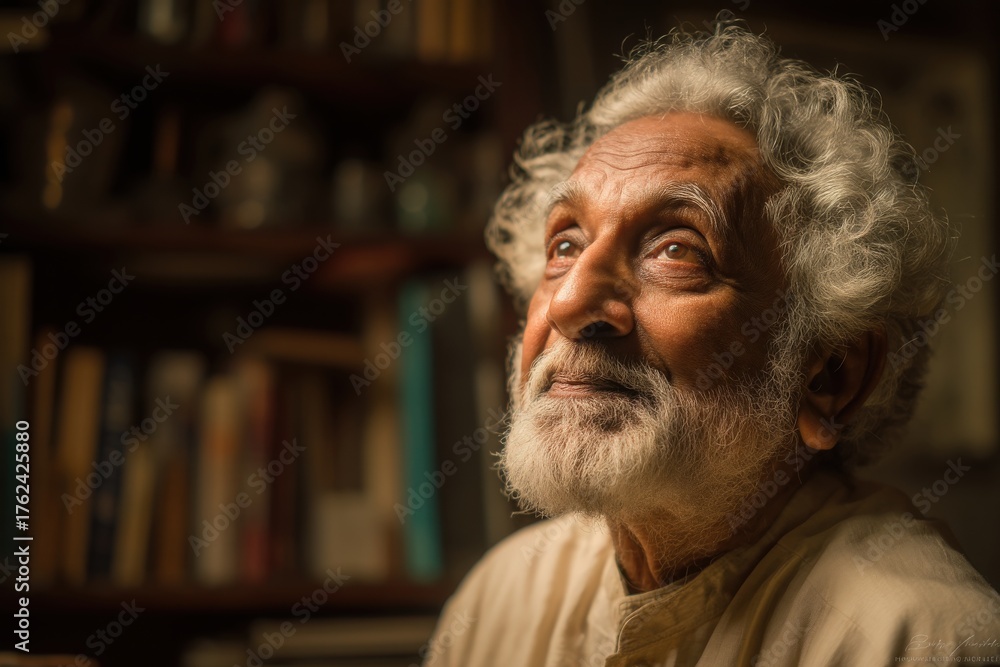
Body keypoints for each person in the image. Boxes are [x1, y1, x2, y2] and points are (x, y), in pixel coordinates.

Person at [423, 23, 1000, 667]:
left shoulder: (923, 641)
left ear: (830, 376)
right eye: (565, 245)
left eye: (677, 250)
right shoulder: (499, 599)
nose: (570, 303)